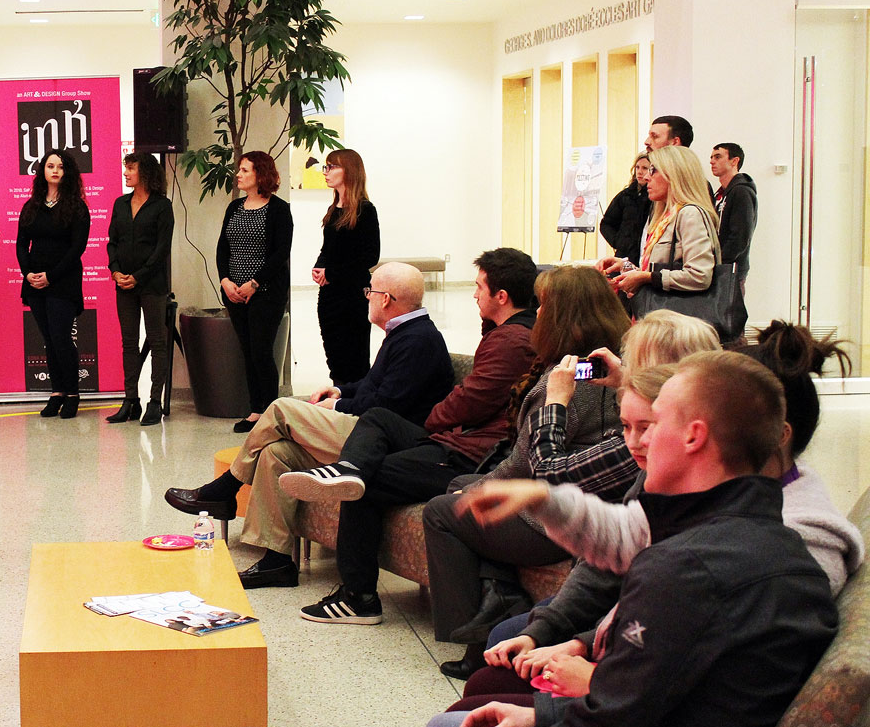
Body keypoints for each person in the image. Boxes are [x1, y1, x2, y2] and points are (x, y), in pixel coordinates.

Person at [450, 352, 840, 727]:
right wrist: (540, 716)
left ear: (693, 436)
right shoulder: (770, 539)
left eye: (655, 423)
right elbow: (650, 701)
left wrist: (549, 712)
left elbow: (613, 718)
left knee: (450, 724)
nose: (642, 442)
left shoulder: (685, 569)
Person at [281, 264, 629, 626]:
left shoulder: (550, 373)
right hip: (483, 453)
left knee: (390, 484)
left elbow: (523, 452)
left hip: (489, 463)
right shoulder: (569, 364)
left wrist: (469, 471)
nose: (537, 313)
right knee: (379, 428)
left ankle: (365, 598)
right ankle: (347, 470)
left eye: (544, 306)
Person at [435, 309, 721, 679]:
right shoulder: (651, 433)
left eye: (634, 363)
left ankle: (479, 618)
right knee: (467, 494)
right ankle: (497, 593)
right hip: (592, 555)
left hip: (580, 547)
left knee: (450, 508)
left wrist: (555, 402)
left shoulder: (655, 456)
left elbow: (548, 473)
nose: (537, 314)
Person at [163, 262, 453, 589]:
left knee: (281, 409)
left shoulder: (418, 340)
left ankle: (227, 487)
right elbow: (374, 385)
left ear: (385, 299)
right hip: (369, 431)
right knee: (276, 453)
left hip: (381, 445)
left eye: (369, 291)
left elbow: (386, 406)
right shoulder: (406, 332)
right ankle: (276, 561)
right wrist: (341, 391)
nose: (367, 297)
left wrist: (339, 405)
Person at [217, 151, 293, 433]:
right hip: (235, 292)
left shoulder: (279, 209)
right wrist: (225, 280)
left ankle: (270, 413)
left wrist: (255, 282)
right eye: (239, 170)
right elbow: (223, 247)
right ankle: (255, 410)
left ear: (261, 175)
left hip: (266, 292)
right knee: (248, 351)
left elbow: (281, 253)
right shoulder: (234, 207)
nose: (238, 174)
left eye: (245, 170)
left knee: (261, 351)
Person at [17, 149, 92, 419]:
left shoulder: (77, 207)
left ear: (67, 172)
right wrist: (27, 273)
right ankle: (57, 392)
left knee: (61, 339)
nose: (55, 171)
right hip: (35, 282)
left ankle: (72, 394)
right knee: (49, 340)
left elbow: (77, 249)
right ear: (43, 171)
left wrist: (51, 276)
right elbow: (21, 244)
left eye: (60, 167)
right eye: (50, 166)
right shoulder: (32, 205)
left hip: (63, 281)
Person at [597, 144, 720, 299]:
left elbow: (699, 276)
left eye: (653, 170)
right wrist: (625, 266)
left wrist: (648, 277)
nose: (647, 177)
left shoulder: (689, 214)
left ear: (675, 174)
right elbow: (658, 272)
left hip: (676, 312)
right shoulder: (666, 216)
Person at [106, 152, 174, 426]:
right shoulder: (120, 204)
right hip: (123, 284)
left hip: (152, 285)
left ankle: (154, 402)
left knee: (157, 342)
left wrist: (138, 276)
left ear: (145, 172)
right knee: (129, 343)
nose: (126, 173)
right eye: (126, 168)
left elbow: (162, 249)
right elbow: (112, 242)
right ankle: (131, 400)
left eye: (131, 168)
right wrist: (115, 271)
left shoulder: (162, 206)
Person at [312, 149, 380, 384]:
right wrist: (319, 267)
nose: (326, 172)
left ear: (349, 171)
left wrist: (332, 273)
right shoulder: (333, 209)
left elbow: (369, 256)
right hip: (329, 294)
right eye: (326, 166)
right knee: (334, 356)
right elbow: (328, 249)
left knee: (354, 357)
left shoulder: (365, 210)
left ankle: (355, 401)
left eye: (332, 167)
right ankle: (339, 396)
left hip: (352, 295)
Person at [709, 141, 758, 283]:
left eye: (718, 157)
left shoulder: (741, 191)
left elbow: (740, 236)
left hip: (730, 271)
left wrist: (719, 262)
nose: (712, 161)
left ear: (734, 161)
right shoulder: (720, 194)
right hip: (720, 269)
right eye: (711, 157)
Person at [598, 153, 651, 266]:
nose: (640, 172)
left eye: (644, 168)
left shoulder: (656, 199)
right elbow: (606, 223)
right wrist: (619, 242)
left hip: (646, 257)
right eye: (637, 167)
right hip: (624, 257)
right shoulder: (625, 196)